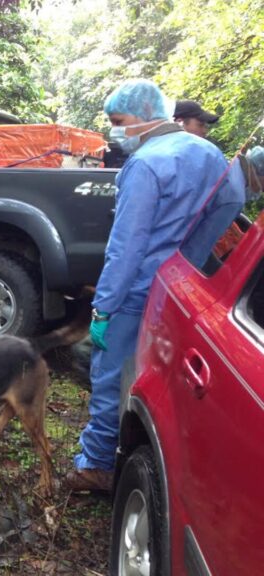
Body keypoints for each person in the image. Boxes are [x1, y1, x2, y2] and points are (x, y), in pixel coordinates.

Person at [66, 79, 240, 492]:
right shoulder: (209, 153)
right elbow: (231, 201)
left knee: (108, 374)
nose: (115, 130)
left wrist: (104, 308)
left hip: (135, 293)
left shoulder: (144, 164)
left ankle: (96, 465)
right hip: (178, 292)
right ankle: (149, 454)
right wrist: (188, 259)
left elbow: (125, 247)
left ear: (146, 116)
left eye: (119, 121)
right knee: (159, 373)